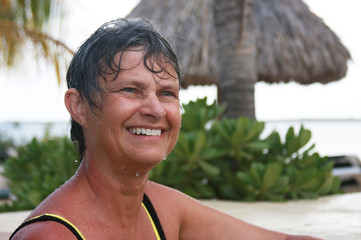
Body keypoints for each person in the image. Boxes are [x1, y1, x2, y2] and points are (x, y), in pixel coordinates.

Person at [10, 18, 322, 240]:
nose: (155, 109)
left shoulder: (160, 208)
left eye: (167, 93)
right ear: (78, 106)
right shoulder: (50, 234)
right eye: (130, 90)